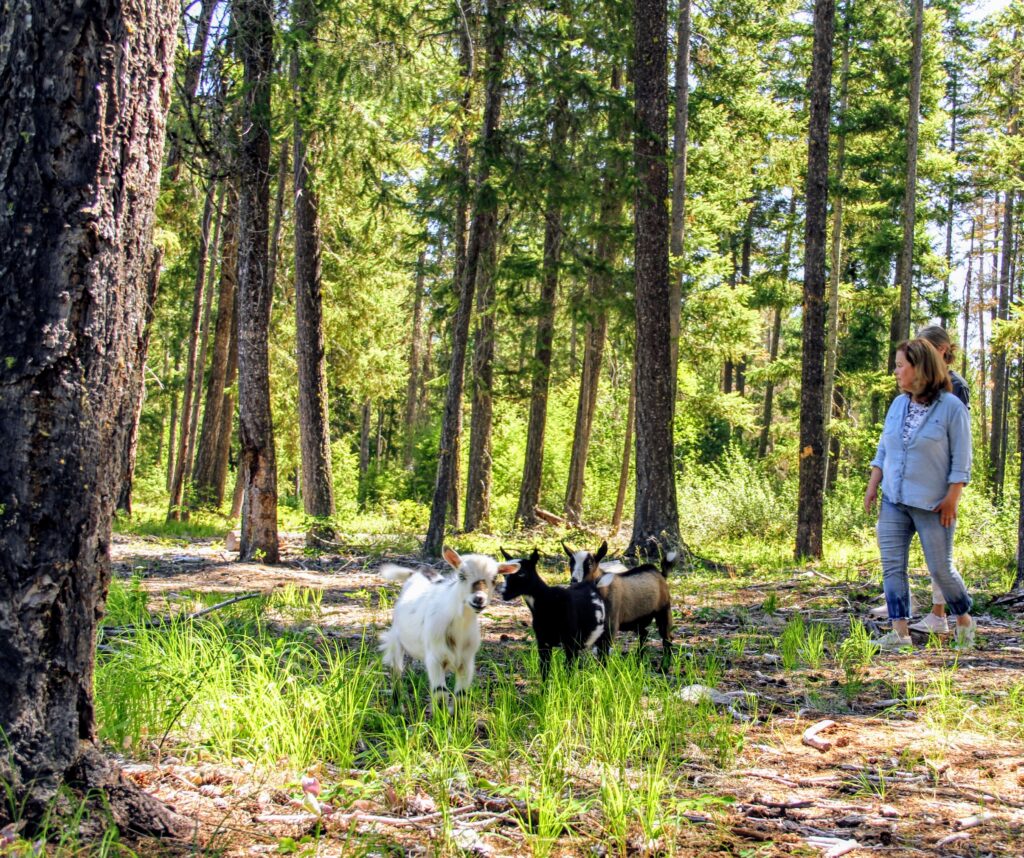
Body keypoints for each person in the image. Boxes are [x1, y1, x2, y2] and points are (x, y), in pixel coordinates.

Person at [864, 338, 976, 651]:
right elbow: (884, 446)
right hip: (894, 500)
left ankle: (964, 619)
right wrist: (874, 483)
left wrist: (953, 497)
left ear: (920, 368)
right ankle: (900, 633)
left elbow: (962, 458)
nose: (896, 371)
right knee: (892, 566)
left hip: (933, 503)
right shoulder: (899, 404)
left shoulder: (951, 407)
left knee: (941, 569)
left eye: (901, 365)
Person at [914, 325, 969, 632]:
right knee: (929, 550)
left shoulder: (955, 385)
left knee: (940, 554)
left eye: (926, 349)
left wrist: (953, 488)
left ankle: (946, 615)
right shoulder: (924, 384)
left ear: (943, 351)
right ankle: (932, 611)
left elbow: (958, 439)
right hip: (924, 478)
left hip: (944, 481)